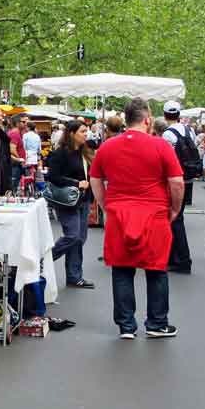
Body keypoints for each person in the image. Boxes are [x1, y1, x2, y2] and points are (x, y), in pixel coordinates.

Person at [89, 98, 184, 340]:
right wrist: (175, 209)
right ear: (147, 119)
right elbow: (176, 182)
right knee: (156, 269)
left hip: (119, 213)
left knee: (121, 268)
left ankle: (126, 326)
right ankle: (157, 322)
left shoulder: (107, 147)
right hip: (153, 213)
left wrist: (105, 204)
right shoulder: (161, 146)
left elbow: (96, 179)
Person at [48, 120, 95, 289]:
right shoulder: (60, 154)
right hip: (67, 202)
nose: (86, 134)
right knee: (72, 236)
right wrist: (76, 183)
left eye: (86, 131)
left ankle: (74, 276)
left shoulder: (85, 152)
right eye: (83, 131)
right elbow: (53, 177)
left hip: (83, 200)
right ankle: (43, 260)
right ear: (72, 133)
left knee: (79, 239)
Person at [160, 102, 201, 274]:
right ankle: (176, 258)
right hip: (187, 177)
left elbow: (166, 160)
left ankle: (181, 259)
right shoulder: (187, 130)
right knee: (177, 218)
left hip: (174, 180)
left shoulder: (168, 135)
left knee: (174, 219)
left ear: (164, 115)